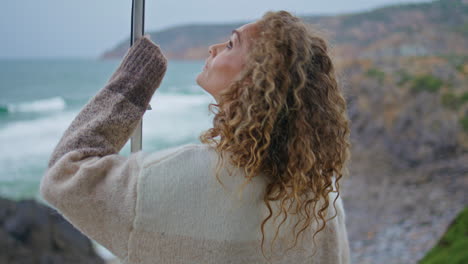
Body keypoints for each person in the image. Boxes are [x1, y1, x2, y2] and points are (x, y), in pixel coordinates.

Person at [40, 10, 351, 264]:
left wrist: (133, 84)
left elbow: (64, 176)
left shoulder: (170, 179)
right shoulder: (322, 201)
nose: (213, 49)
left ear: (256, 77)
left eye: (231, 44)